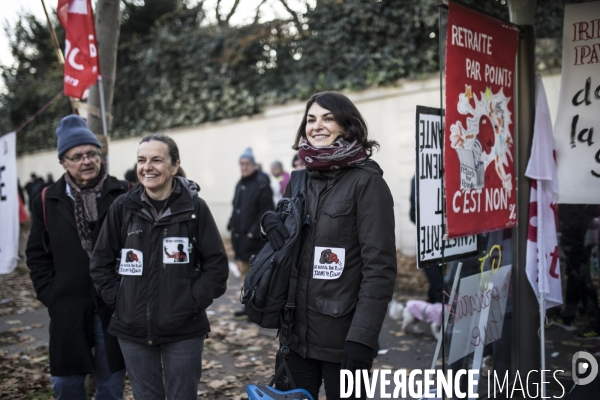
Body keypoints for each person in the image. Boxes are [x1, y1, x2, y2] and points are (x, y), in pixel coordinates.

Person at [262, 91, 397, 399]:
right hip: (294, 337)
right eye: (311, 119)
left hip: (343, 341)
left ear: (347, 127)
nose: (316, 126)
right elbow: (285, 240)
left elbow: (380, 269)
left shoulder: (367, 183)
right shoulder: (299, 180)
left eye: (327, 118)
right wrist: (267, 223)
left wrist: (362, 339)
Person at [90, 134, 229, 399]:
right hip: (132, 327)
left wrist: (190, 302)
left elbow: (217, 266)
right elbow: (100, 264)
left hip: (184, 327)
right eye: (142, 160)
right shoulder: (122, 207)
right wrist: (121, 301)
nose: (147, 167)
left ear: (175, 165)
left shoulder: (195, 208)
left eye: (157, 159)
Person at [25, 114, 126, 400]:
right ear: (63, 162)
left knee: (111, 385)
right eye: (78, 156)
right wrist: (51, 293)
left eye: (92, 154)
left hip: (113, 306)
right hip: (68, 307)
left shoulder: (121, 193)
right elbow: (37, 255)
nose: (87, 161)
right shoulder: (48, 199)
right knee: (66, 385)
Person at [228, 147, 274, 316]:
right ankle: (248, 307)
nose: (244, 167)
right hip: (240, 237)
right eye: (241, 164)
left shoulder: (261, 182)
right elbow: (236, 207)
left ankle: (255, 309)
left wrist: (253, 232)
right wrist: (231, 224)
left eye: (247, 163)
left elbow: (267, 210)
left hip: (254, 239)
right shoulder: (240, 183)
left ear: (254, 165)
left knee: (255, 274)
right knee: (244, 274)